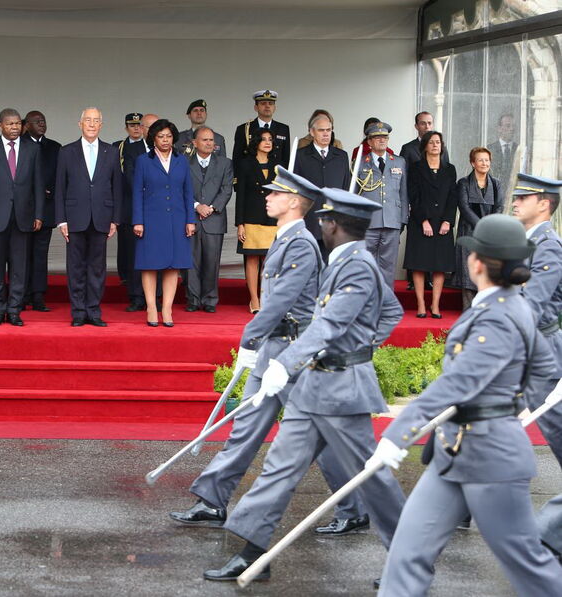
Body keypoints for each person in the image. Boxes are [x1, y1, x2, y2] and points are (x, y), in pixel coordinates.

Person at [203, 187, 406, 585]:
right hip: (314, 385)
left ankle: (409, 558)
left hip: (343, 391)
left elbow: (331, 325)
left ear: (334, 224)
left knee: (373, 479)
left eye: (325, 220)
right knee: (278, 470)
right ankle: (252, 554)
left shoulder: (358, 265)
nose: (321, 224)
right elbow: (389, 310)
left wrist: (340, 352)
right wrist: (356, 342)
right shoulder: (342, 259)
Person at [170, 167, 368, 539]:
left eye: (275, 194)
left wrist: (248, 338)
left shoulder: (301, 244)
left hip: (294, 353)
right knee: (246, 426)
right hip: (273, 348)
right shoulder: (284, 238)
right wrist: (258, 343)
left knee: (319, 434)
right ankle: (213, 499)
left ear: (294, 203)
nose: (267, 197)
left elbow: (280, 302)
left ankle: (355, 507)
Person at [372, 214, 562, 596]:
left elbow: (456, 385)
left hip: (492, 457)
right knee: (407, 554)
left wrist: (398, 434)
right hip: (454, 452)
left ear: (477, 263)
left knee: (528, 565)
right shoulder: (510, 305)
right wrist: (509, 397)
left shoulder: (501, 315)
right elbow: (545, 366)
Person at [510, 174, 562, 561]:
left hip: (542, 352)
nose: (515, 201)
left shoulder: (548, 247)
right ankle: (451, 509)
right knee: (477, 427)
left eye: (522, 197)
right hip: (521, 350)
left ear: (544, 203)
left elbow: (533, 305)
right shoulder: (525, 242)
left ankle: (549, 535)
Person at [0, 108, 44, 327]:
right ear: (0, 126)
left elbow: (38, 185)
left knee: (19, 267)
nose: (14, 128)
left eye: (17, 124)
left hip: (23, 217)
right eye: (9, 124)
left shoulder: (33, 149)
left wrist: (39, 214)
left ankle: (14, 310)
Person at [55, 107, 122, 326]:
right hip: (74, 218)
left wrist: (116, 219)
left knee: (97, 267)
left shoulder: (111, 152)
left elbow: (117, 188)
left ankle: (93, 310)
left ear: (101, 125)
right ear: (80, 124)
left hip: (102, 217)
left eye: (96, 121)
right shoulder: (66, 152)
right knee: (75, 267)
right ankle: (77, 312)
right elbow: (60, 189)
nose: (92, 124)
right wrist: (61, 220)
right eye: (88, 120)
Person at [132, 118, 195, 327]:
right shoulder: (143, 160)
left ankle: (167, 308)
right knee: (149, 264)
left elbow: (188, 193)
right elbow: (137, 193)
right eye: (161, 136)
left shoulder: (182, 161)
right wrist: (138, 221)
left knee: (173, 265)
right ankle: (151, 307)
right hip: (151, 219)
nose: (165, 140)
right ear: (153, 138)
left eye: (168, 136)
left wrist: (190, 220)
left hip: (177, 219)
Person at [403, 131, 457, 318]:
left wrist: (448, 221)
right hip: (420, 222)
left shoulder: (449, 169)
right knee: (419, 264)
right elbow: (413, 196)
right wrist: (423, 220)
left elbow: (453, 197)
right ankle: (420, 305)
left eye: (438, 142)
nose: (435, 145)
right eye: (432, 142)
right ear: (425, 145)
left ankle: (435, 305)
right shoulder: (416, 168)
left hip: (442, 223)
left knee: (440, 265)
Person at [352, 121, 408, 287]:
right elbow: (354, 193)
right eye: (377, 137)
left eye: (385, 137)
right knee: (365, 266)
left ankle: (385, 305)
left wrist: (402, 220)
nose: (382, 140)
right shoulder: (360, 162)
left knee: (388, 268)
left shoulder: (399, 162)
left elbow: (403, 193)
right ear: (369, 141)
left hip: (392, 220)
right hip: (368, 222)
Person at [185, 126, 232, 313]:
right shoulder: (184, 163)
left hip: (214, 219)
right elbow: (181, 190)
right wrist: (197, 206)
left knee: (212, 262)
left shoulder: (225, 163)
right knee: (191, 261)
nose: (209, 143)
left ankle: (210, 299)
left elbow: (227, 189)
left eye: (211, 140)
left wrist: (211, 208)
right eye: (204, 140)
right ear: (195, 143)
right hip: (192, 218)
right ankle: (193, 299)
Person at [450, 147, 503, 308]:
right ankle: (469, 310)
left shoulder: (496, 184)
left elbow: (500, 207)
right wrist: (481, 226)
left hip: (490, 235)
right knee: (468, 271)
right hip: (469, 232)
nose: (484, 163)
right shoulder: (464, 183)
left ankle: (484, 310)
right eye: (480, 160)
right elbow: (464, 208)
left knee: (487, 272)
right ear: (473, 163)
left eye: (487, 160)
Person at [233, 129, 278, 313]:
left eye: (270, 139)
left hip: (272, 218)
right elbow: (240, 195)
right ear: (256, 142)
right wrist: (240, 223)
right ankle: (254, 300)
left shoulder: (278, 165)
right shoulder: (245, 164)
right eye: (264, 139)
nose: (267, 142)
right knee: (252, 259)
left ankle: (266, 297)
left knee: (270, 261)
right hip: (251, 217)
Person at [293, 113, 350, 258]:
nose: (326, 134)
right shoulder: (300, 156)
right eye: (321, 130)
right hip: (309, 220)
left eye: (328, 130)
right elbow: (295, 190)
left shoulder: (341, 156)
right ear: (312, 132)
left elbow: (346, 188)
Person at [113, 112, 154, 312]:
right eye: (134, 125)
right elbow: (129, 177)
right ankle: (137, 295)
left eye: (142, 126)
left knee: (155, 253)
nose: (138, 129)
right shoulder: (129, 148)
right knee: (134, 254)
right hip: (133, 207)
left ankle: (155, 296)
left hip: (158, 210)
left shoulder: (163, 146)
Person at [23, 110, 61, 311]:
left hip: (45, 208)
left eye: (43, 121)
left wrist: (49, 191)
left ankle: (38, 296)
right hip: (21, 210)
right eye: (37, 121)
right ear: (26, 125)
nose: (41, 124)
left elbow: (60, 177)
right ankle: (21, 295)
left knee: (39, 254)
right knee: (20, 255)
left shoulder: (54, 147)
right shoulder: (18, 144)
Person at [232, 90, 290, 168]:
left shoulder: (283, 129)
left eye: (271, 103)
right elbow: (237, 158)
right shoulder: (244, 129)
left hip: (276, 175)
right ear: (256, 107)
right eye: (263, 103)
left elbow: (286, 157)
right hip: (251, 175)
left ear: (275, 108)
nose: (267, 106)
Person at [487, 113, 518, 188]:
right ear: (499, 128)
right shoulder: (490, 149)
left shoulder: (518, 149)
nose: (511, 129)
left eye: (513, 126)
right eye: (508, 126)